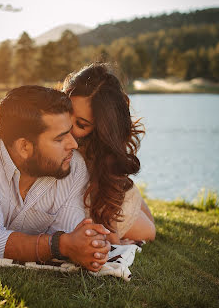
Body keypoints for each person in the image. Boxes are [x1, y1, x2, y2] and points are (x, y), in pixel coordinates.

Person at [0, 85, 111, 272]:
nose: (74, 144)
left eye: (70, 132)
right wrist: (60, 245)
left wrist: (90, 247)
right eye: (60, 139)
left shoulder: (73, 166)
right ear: (24, 147)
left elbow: (70, 235)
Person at [62, 63, 155, 244]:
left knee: (147, 221)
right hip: (83, 194)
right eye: (67, 112)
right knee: (149, 231)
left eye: (81, 124)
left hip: (102, 184)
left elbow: (105, 213)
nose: (68, 127)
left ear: (100, 129)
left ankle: (123, 191)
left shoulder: (98, 149)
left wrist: (111, 235)